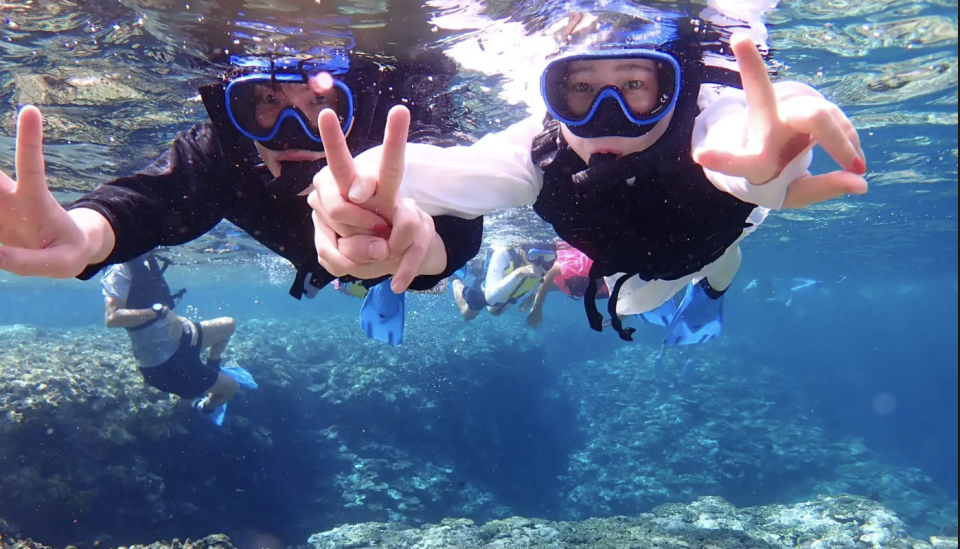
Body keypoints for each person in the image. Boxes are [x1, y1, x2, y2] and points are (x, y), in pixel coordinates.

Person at [306, 7, 868, 348]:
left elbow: (747, 139)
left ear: (672, 90)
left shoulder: (715, 124)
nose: (607, 116)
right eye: (580, 90)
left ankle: (711, 296)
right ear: (550, 98)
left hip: (722, 231)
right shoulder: (534, 154)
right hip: (640, 278)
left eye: (633, 87)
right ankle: (701, 290)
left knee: (719, 255)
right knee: (628, 307)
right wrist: (349, 193)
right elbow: (429, 173)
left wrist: (774, 160)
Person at [0, 46, 482, 349]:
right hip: (322, 259)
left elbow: (460, 209)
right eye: (268, 102)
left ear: (356, 107)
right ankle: (355, 278)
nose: (293, 134)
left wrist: (420, 246)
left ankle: (376, 280)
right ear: (236, 108)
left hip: (395, 258)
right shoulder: (223, 157)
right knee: (340, 273)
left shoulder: (399, 136)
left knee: (403, 271)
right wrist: (83, 235)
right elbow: (146, 200)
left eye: (322, 103)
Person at [102, 251, 254, 423]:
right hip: (164, 363)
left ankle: (213, 370)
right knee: (231, 387)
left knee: (228, 324)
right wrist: (160, 311)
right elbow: (112, 318)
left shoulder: (145, 261)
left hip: (179, 337)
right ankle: (203, 407)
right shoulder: (119, 268)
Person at [451, 243, 557, 320]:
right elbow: (490, 299)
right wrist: (519, 272)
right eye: (533, 256)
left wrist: (532, 296)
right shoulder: (504, 254)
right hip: (489, 282)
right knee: (468, 314)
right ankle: (454, 278)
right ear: (522, 250)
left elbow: (540, 278)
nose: (539, 262)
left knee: (494, 312)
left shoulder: (546, 264)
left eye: (548, 257)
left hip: (508, 289)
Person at [521, 240, 609, 328]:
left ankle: (533, 293)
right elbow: (552, 271)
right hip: (551, 268)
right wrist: (537, 306)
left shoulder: (617, 285)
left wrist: (619, 317)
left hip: (568, 284)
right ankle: (521, 250)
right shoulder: (588, 267)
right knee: (530, 275)